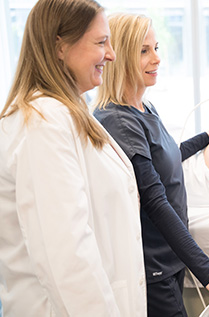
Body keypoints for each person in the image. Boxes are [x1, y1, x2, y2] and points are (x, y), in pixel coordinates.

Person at [93, 13, 209, 316]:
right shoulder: (118, 121)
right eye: (144, 51)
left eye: (156, 48)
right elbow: (154, 200)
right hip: (154, 267)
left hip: (170, 260)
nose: (156, 59)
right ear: (119, 56)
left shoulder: (143, 107)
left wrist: (208, 135)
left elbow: (169, 155)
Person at [0, 0, 148, 315]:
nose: (111, 54)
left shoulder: (69, 112)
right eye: (100, 42)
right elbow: (67, 255)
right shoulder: (44, 121)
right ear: (60, 47)